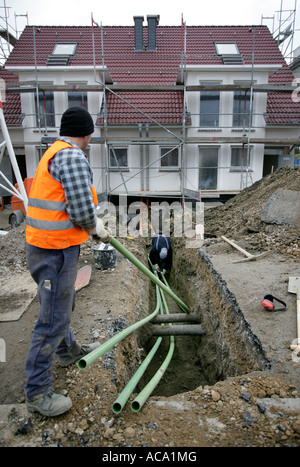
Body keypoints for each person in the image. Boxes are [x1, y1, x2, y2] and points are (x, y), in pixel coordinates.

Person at [24, 106, 110, 417]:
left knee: (61, 303)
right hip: (55, 249)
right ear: (87, 133)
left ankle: (67, 350)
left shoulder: (54, 151)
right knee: (52, 320)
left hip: (43, 246)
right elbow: (80, 210)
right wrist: (95, 227)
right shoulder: (73, 156)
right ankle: (37, 391)